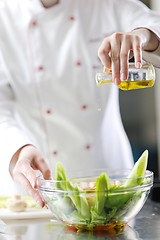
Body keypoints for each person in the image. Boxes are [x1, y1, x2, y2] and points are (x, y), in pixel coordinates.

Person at [0, 0, 160, 207]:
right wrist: (18, 149)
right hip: (38, 183)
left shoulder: (105, 4)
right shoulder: (5, 15)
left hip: (110, 180)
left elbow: (153, 24)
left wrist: (142, 36)